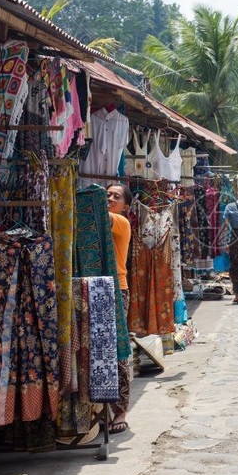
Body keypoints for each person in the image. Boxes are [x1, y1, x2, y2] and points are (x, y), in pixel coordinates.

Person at [106, 183, 133, 434]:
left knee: (118, 351)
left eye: (117, 196)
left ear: (125, 206)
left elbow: (94, 212)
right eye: (107, 194)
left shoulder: (120, 222)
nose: (110, 198)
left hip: (117, 289)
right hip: (93, 286)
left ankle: (120, 410)